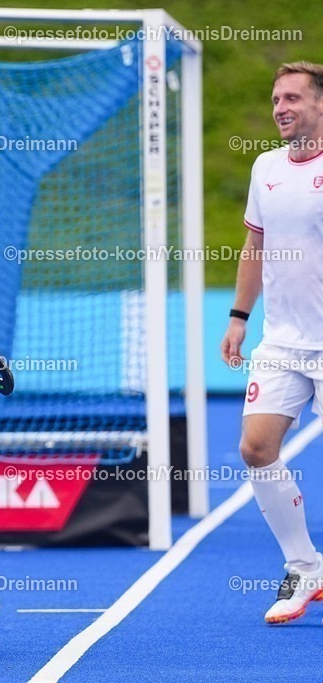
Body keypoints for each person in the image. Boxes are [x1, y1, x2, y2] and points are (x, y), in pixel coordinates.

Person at [221, 61, 323, 624]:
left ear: (320, 106)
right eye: (276, 99)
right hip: (281, 341)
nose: (281, 108)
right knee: (256, 449)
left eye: (292, 98)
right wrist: (239, 316)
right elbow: (254, 246)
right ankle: (305, 566)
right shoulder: (267, 167)